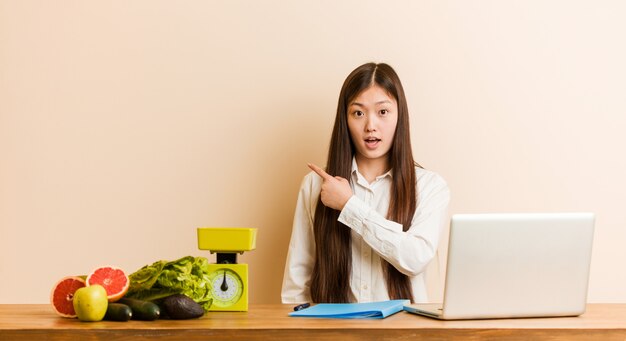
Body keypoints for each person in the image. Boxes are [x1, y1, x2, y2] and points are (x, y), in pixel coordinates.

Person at [281, 62, 450, 304]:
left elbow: (415, 258)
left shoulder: (429, 187)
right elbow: (296, 285)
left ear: (399, 116)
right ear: (345, 119)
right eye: (358, 113)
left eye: (383, 112)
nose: (371, 126)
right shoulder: (315, 186)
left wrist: (349, 206)